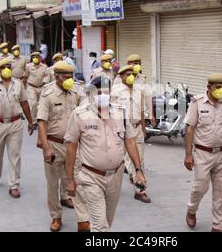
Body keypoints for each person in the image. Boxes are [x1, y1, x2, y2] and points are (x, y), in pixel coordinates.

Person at [65, 76, 147, 232]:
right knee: (100, 226)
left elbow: (130, 142)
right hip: (91, 176)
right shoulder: (80, 114)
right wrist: (70, 179)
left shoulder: (120, 113)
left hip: (116, 176)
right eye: (99, 93)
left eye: (106, 92)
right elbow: (71, 147)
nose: (103, 96)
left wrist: (138, 170)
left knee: (108, 221)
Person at [37, 61, 89, 232]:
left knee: (77, 180)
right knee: (53, 183)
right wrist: (46, 147)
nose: (69, 80)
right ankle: (56, 216)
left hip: (74, 145)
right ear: (56, 77)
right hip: (54, 143)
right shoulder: (48, 94)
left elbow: (86, 112)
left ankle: (82, 219)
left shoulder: (77, 91)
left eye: (71, 76)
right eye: (66, 77)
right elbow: (42, 122)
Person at [183, 73, 222, 232]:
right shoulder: (197, 103)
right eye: (217, 87)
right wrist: (188, 154)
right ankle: (191, 210)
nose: (220, 90)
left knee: (220, 191)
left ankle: (218, 225)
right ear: (209, 87)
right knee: (200, 187)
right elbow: (190, 129)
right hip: (202, 153)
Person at [0, 58, 34, 198]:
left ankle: (14, 185)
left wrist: (30, 121)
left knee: (14, 154)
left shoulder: (18, 84)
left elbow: (25, 103)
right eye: (3, 67)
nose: (7, 69)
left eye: (9, 66)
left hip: (15, 123)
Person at [111, 65, 150, 203]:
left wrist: (144, 128)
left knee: (140, 160)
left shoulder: (139, 90)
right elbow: (110, 111)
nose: (131, 76)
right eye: (127, 74)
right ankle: (110, 188)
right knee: (116, 160)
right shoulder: (115, 91)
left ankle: (140, 190)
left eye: (132, 74)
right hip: (121, 129)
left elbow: (140, 111)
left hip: (137, 128)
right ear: (121, 76)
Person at [23, 52, 50, 127]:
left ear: (40, 58)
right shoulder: (28, 66)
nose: (36, 58)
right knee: (33, 103)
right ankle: (34, 121)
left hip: (42, 87)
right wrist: (23, 88)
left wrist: (45, 84)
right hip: (31, 87)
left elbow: (46, 76)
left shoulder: (44, 66)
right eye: (34, 57)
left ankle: (41, 118)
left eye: (37, 57)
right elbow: (25, 77)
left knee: (42, 104)